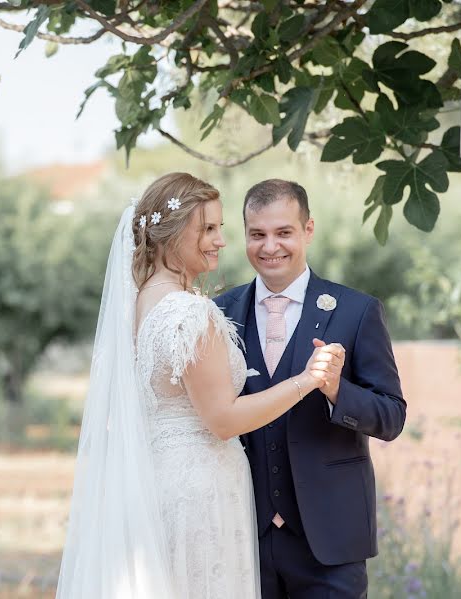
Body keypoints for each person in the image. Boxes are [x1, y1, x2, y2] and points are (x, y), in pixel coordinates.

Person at [55, 173, 345, 599]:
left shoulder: (136, 304)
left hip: (159, 482)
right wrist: (308, 380)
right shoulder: (190, 314)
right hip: (200, 493)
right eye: (207, 229)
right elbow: (223, 420)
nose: (220, 241)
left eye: (220, 228)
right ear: (172, 234)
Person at [213, 179, 407, 598]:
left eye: (283, 232)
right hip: (243, 536)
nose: (270, 247)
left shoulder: (356, 311)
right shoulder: (218, 314)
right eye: (257, 234)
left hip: (330, 543)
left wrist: (338, 390)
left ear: (308, 230)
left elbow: (392, 417)